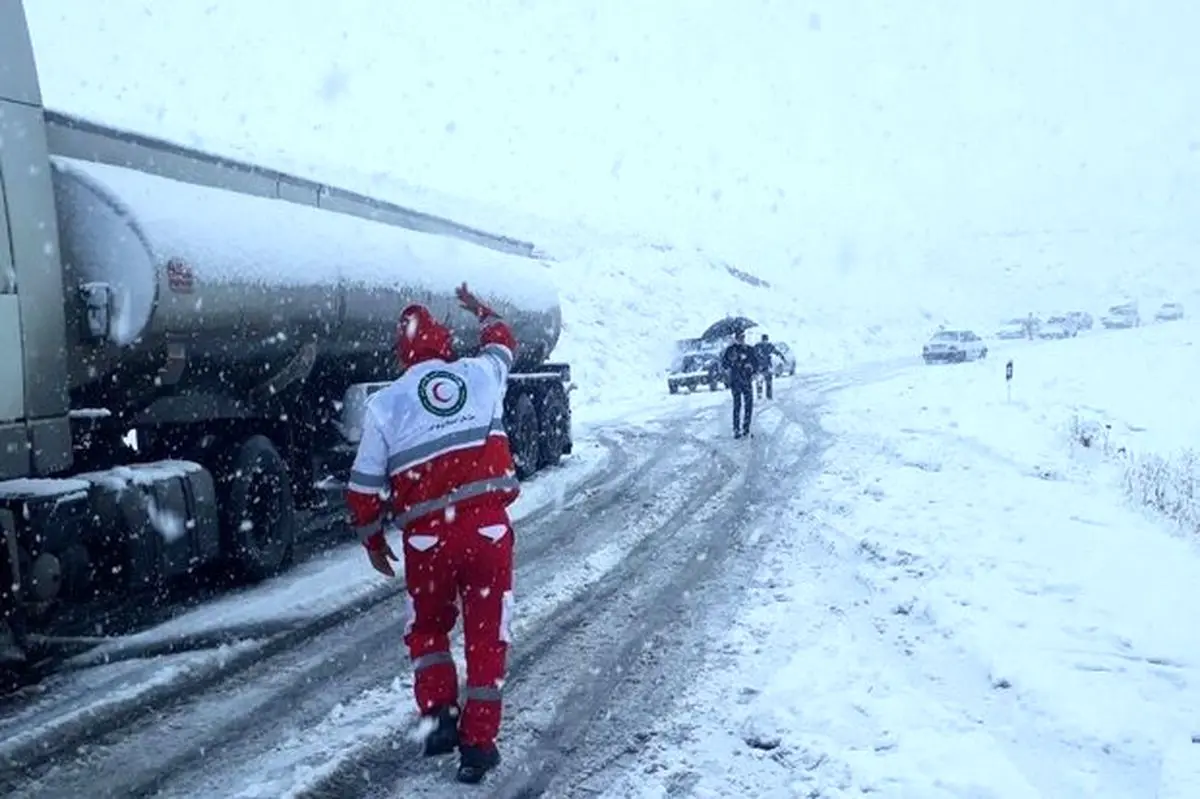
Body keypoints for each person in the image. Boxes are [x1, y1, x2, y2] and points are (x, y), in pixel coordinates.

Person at [345, 282, 519, 785]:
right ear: (444, 342)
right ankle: (478, 748)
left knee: (427, 629)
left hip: (426, 541)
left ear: (403, 354)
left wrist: (373, 540)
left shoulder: (387, 404)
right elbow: (503, 343)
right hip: (488, 532)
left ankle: (439, 718)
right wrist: (481, 309)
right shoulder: (479, 375)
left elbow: (363, 486)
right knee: (487, 638)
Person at [720, 329, 760, 438]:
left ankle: (746, 428)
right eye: (739, 337)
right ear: (735, 338)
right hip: (736, 381)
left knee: (749, 406)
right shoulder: (730, 350)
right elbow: (724, 364)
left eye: (743, 337)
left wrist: (752, 369)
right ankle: (736, 429)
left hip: (747, 380)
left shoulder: (749, 349)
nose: (741, 339)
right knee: (737, 405)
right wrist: (732, 360)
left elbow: (756, 363)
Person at [752, 333, 782, 400]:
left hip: (767, 366)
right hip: (759, 367)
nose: (765, 341)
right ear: (762, 340)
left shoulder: (769, 346)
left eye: (766, 340)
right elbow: (753, 354)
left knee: (769, 382)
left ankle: (769, 396)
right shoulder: (757, 346)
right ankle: (759, 396)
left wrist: (780, 356)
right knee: (759, 382)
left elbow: (776, 351)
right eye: (764, 340)